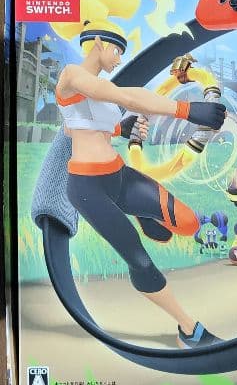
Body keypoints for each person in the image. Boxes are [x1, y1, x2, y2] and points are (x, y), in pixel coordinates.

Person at [55, 19, 228, 348]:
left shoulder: (97, 91)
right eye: (116, 50)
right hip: (88, 188)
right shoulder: (72, 75)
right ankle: (189, 329)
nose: (119, 59)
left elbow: (75, 126)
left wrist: (123, 129)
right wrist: (186, 110)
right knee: (140, 260)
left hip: (119, 176)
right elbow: (126, 96)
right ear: (98, 43)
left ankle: (141, 212)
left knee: (188, 223)